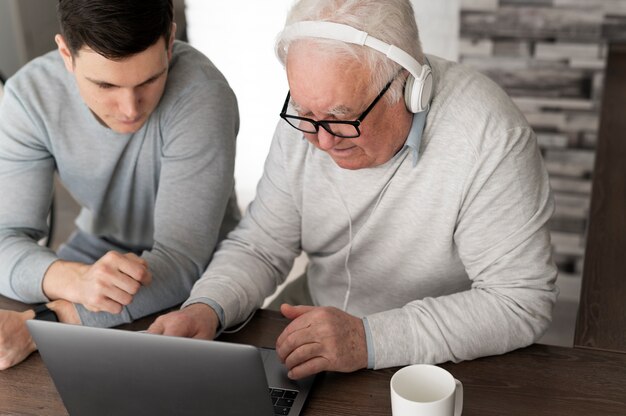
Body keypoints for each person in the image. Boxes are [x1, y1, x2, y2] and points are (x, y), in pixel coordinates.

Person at [149, 0, 558, 380]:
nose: (321, 142)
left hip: (438, 362)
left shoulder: (491, 138)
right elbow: (262, 244)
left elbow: (519, 301)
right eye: (305, 114)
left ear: (409, 88)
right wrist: (206, 307)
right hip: (317, 331)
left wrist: (368, 339)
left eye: (341, 118)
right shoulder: (310, 119)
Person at [0, 0, 240, 370]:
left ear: (170, 40)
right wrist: (73, 279)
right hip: (93, 258)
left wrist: (41, 325)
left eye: (149, 79)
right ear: (67, 53)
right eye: (105, 84)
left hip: (202, 281)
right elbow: (5, 238)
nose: (130, 108)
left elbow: (181, 261)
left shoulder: (203, 94)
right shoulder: (30, 96)